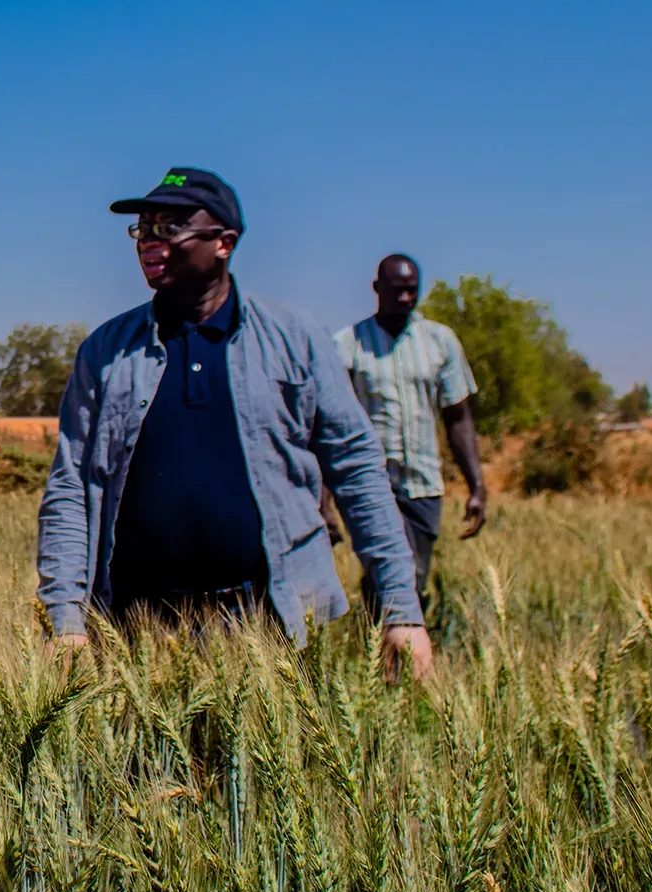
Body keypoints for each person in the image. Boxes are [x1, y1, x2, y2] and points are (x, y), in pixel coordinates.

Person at [36, 167, 432, 674]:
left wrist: (401, 608)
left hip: (275, 622)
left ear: (224, 242)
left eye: (169, 227)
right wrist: (65, 619)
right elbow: (72, 487)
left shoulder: (295, 338)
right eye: (144, 229)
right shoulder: (107, 351)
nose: (150, 242)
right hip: (139, 629)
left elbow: (357, 470)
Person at [329, 254, 486, 614]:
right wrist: (323, 499)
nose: (404, 299)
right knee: (388, 575)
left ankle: (396, 654)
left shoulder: (440, 342)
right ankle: (387, 657)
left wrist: (477, 485)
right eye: (396, 291)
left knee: (414, 575)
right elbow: (329, 426)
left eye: (411, 291)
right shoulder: (347, 345)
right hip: (370, 486)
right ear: (376, 289)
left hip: (422, 486)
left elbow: (458, 417)